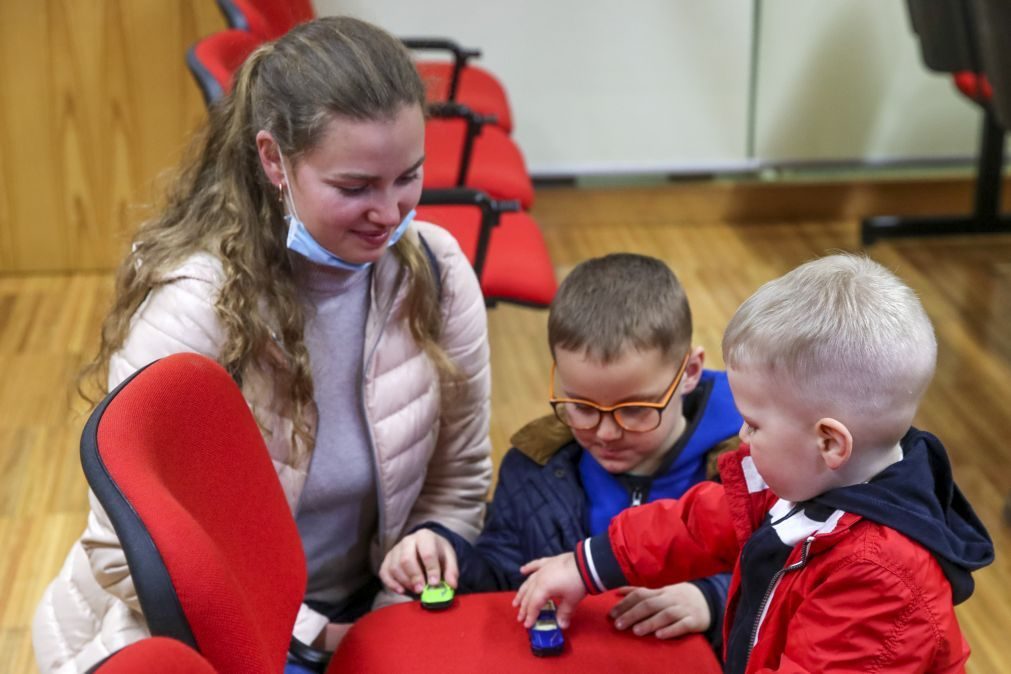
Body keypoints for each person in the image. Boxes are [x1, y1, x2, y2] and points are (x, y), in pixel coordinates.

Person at [32, 16, 492, 674]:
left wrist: (426, 547)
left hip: (370, 610)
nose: (390, 215)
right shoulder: (197, 305)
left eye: (407, 178)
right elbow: (123, 550)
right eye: (355, 187)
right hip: (223, 636)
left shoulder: (438, 274)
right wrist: (311, 634)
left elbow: (458, 482)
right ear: (274, 159)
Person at [514, 253, 994, 673]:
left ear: (829, 442)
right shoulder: (804, 479)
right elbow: (698, 522)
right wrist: (588, 565)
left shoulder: (880, 579)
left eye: (754, 425)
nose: (741, 435)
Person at [380, 253, 742, 652]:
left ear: (689, 372)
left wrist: (711, 597)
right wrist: (443, 556)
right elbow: (504, 581)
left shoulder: (753, 468)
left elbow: (796, 579)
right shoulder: (533, 468)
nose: (605, 433)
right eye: (582, 407)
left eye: (636, 410)